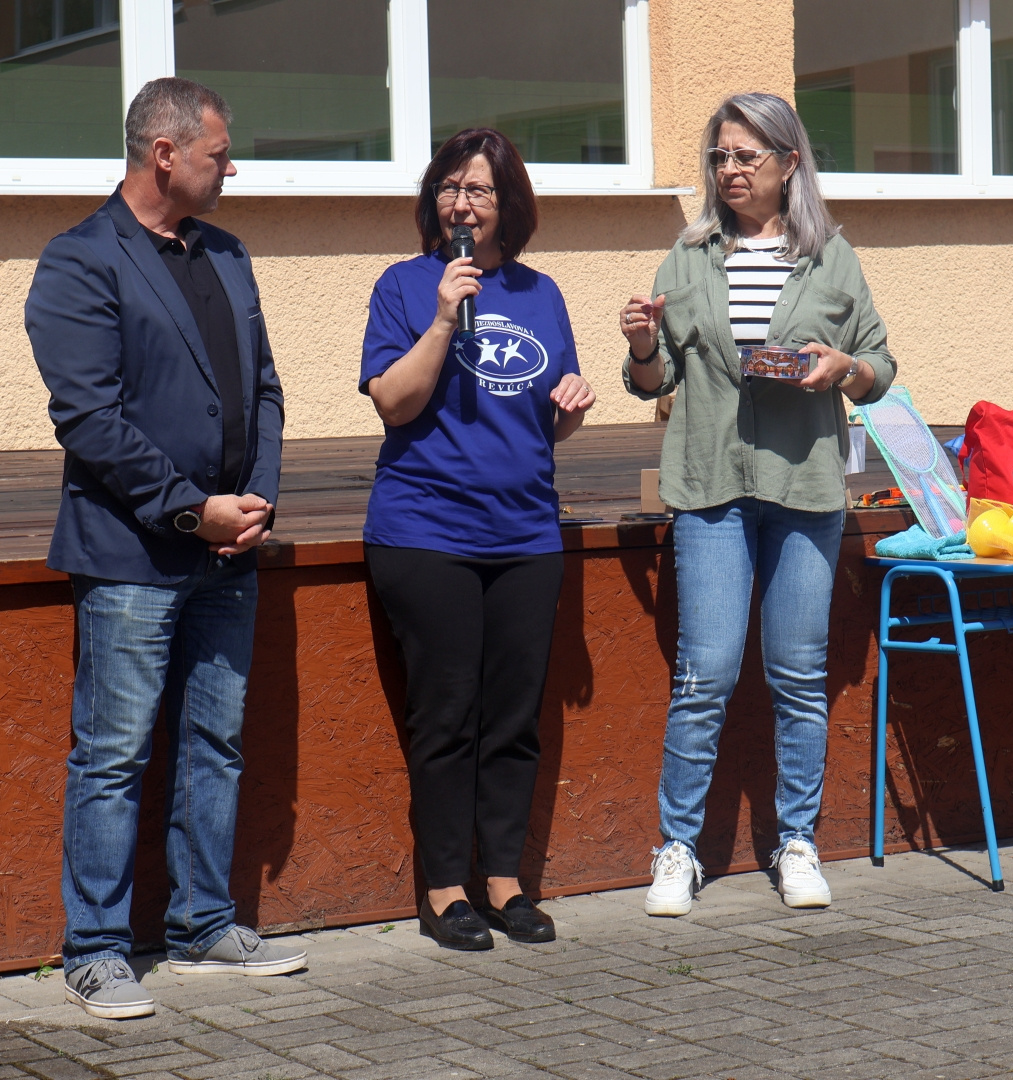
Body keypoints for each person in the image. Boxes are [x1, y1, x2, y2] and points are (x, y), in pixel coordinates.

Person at [25, 77, 304, 1020]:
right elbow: (89, 420)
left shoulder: (226, 253)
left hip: (230, 550)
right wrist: (193, 512)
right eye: (221, 154)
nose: (233, 169)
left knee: (214, 743)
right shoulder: (80, 260)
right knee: (112, 755)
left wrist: (256, 498)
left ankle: (202, 925)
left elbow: (264, 388)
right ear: (165, 154)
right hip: (132, 556)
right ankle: (96, 949)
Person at [619, 92, 896, 916]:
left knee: (799, 677)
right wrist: (641, 343)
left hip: (804, 489)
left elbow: (880, 366)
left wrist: (843, 369)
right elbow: (653, 381)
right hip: (711, 486)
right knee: (704, 675)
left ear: (789, 163)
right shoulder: (689, 256)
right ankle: (678, 848)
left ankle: (796, 841)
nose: (730, 170)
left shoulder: (831, 257)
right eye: (720, 157)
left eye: (746, 156)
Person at [361, 128, 596, 950]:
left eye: (479, 191)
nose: (462, 204)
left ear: (508, 206)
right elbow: (394, 403)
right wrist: (441, 318)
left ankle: (503, 882)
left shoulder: (542, 293)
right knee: (447, 716)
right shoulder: (404, 285)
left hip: (525, 534)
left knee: (513, 717)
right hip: (427, 532)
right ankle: (443, 890)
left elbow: (544, 421)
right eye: (450, 188)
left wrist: (570, 409)